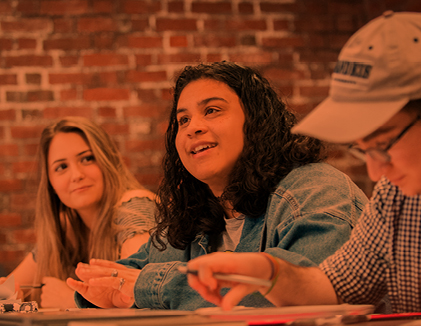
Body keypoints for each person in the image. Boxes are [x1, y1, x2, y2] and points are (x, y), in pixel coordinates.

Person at [183, 11, 421, 326]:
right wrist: (270, 271)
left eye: (384, 145)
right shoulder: (396, 195)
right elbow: (335, 289)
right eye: (362, 149)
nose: (375, 172)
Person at [66, 61, 368, 311]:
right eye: (182, 120)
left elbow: (302, 297)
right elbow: (128, 277)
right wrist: (94, 290)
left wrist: (146, 286)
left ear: (256, 122)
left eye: (211, 110)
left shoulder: (315, 190)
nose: (193, 127)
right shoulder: (195, 214)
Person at [0, 117, 156, 309]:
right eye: (61, 167)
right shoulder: (67, 228)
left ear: (108, 160)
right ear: (51, 184)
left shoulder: (134, 205)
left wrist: (72, 299)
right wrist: (10, 295)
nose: (76, 175)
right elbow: (7, 289)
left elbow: (146, 294)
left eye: (87, 159)